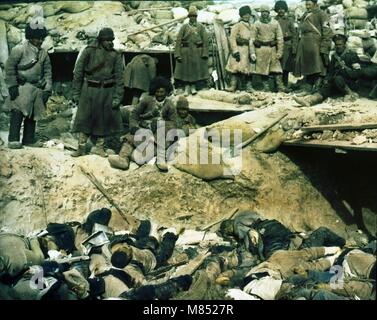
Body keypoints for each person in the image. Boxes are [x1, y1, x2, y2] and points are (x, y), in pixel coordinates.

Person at [71, 27, 124, 158]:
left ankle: (100, 147)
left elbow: (119, 78)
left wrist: (117, 97)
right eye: (107, 40)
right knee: (84, 119)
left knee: (104, 120)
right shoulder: (88, 51)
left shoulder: (115, 55)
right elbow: (78, 73)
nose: (110, 43)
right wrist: (76, 93)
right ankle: (81, 147)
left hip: (107, 91)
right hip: (89, 90)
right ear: (100, 40)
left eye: (111, 40)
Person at [108, 77, 176, 171]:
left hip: (159, 135)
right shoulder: (147, 100)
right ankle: (123, 158)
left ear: (166, 92)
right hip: (145, 129)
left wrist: (161, 125)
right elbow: (134, 113)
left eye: (162, 92)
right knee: (130, 137)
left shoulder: (170, 105)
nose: (159, 94)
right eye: (157, 91)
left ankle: (160, 160)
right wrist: (134, 127)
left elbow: (173, 122)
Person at [5, 22, 52, 149]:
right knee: (17, 112)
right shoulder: (19, 49)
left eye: (42, 38)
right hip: (22, 88)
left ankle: (29, 139)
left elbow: (48, 72)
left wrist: (47, 89)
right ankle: (13, 139)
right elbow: (9, 69)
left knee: (33, 115)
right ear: (30, 37)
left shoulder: (44, 54)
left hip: (37, 89)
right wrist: (12, 86)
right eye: (37, 38)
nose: (40, 41)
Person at [294, 34, 361, 107]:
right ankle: (309, 101)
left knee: (338, 79)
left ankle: (350, 94)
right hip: (336, 82)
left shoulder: (352, 55)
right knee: (325, 88)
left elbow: (357, 74)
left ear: (344, 44)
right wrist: (326, 79)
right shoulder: (334, 56)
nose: (338, 46)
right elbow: (331, 71)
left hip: (349, 83)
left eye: (340, 44)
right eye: (336, 44)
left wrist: (344, 69)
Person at [294, 0, 332, 93]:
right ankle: (308, 87)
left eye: (309, 4)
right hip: (305, 44)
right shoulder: (305, 15)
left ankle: (317, 87)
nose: (307, 6)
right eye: (306, 4)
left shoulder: (322, 14)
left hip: (316, 44)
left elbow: (327, 31)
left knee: (318, 66)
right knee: (308, 66)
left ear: (315, 4)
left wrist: (324, 46)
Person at [174, 5, 209, 96]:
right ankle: (186, 88)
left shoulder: (201, 27)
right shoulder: (184, 27)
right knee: (185, 70)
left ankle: (193, 87)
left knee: (195, 70)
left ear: (196, 17)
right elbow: (178, 40)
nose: (193, 18)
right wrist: (177, 54)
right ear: (189, 17)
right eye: (191, 16)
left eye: (194, 16)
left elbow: (205, 40)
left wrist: (204, 52)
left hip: (197, 51)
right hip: (185, 51)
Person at [249, 5, 285, 92]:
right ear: (260, 13)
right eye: (263, 12)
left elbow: (280, 38)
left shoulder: (275, 23)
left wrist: (280, 51)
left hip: (272, 49)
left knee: (277, 69)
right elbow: (252, 39)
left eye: (266, 12)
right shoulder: (256, 24)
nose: (264, 14)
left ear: (269, 13)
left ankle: (280, 87)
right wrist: (252, 52)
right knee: (262, 70)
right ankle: (266, 87)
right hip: (261, 50)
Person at [225, 5, 256, 93]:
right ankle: (233, 86)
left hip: (248, 50)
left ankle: (248, 86)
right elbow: (232, 38)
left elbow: (252, 40)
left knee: (247, 69)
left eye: (248, 14)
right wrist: (235, 51)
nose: (247, 16)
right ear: (241, 16)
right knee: (235, 68)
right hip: (239, 49)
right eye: (244, 14)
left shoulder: (252, 26)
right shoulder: (237, 25)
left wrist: (252, 52)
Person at [274, 1, 298, 88]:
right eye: (279, 9)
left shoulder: (289, 20)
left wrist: (294, 48)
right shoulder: (274, 20)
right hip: (276, 45)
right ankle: (276, 85)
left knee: (285, 67)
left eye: (283, 9)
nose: (281, 11)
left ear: (285, 9)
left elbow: (295, 35)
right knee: (276, 65)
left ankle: (285, 84)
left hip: (287, 45)